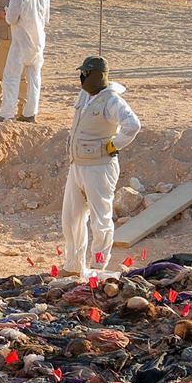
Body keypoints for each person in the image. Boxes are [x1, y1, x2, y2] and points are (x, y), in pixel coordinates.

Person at [63, 56, 140, 277]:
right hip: (77, 165)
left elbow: (132, 125)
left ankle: (98, 265)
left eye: (85, 74)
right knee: (71, 218)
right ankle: (73, 264)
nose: (82, 78)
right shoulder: (85, 95)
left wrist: (113, 145)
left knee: (100, 220)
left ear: (95, 75)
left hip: (99, 167)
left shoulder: (112, 100)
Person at [2, 0, 50, 123]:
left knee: (11, 76)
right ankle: (31, 112)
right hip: (38, 42)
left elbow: (12, 18)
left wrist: (8, 12)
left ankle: (7, 112)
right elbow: (46, 19)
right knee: (34, 77)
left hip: (21, 41)